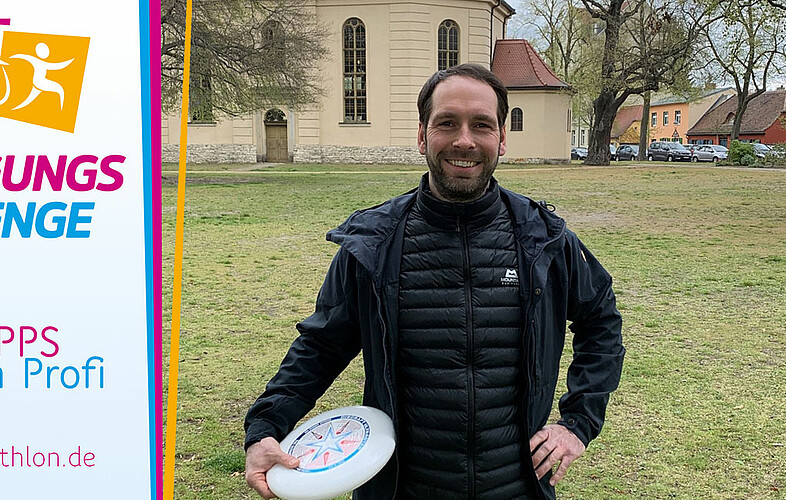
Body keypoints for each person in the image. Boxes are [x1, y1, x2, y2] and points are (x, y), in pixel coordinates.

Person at [244, 63, 624, 499]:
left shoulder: (545, 239)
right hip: (403, 488)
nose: (465, 140)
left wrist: (577, 422)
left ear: (502, 137)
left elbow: (601, 321)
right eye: (447, 123)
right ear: (423, 135)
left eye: (481, 125)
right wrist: (265, 427)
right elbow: (320, 346)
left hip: (516, 487)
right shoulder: (372, 244)